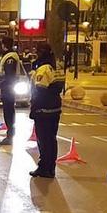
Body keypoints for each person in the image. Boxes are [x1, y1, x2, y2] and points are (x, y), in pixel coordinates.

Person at [29, 43, 67, 179]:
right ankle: (50, 168)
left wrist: (34, 108)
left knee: (43, 140)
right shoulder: (57, 68)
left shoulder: (43, 69)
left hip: (43, 109)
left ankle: (44, 167)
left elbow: (40, 90)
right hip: (55, 108)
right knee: (51, 139)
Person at [0, 37, 22, 146]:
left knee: (8, 113)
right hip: (8, 88)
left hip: (8, 89)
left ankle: (10, 136)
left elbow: (9, 75)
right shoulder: (10, 56)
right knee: (9, 112)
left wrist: (2, 84)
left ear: (4, 45)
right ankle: (10, 134)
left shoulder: (10, 58)